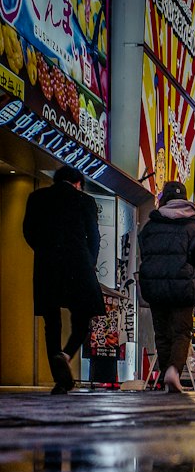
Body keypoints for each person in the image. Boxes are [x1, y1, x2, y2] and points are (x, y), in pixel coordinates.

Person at [22, 164, 105, 394]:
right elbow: (95, 237)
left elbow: (28, 231)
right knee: (82, 318)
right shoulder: (84, 201)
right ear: (78, 183)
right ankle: (66, 354)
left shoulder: (37, 198)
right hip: (79, 264)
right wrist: (90, 261)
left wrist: (44, 251)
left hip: (47, 265)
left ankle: (61, 379)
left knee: (52, 321)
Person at [137, 180, 195, 393]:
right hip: (183, 288)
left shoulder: (150, 227)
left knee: (162, 333)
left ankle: (165, 376)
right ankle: (173, 371)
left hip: (155, 287)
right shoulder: (193, 228)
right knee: (181, 332)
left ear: (163, 201)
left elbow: (144, 254)